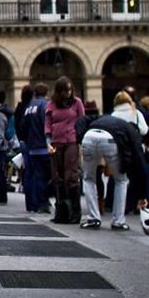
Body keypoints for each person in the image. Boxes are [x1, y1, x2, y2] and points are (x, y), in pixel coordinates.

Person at [79, 113, 148, 230]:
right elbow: (140, 161)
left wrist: (79, 136)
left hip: (89, 136)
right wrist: (143, 195)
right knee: (121, 180)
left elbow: (82, 119)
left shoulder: (105, 118)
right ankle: (118, 221)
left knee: (88, 178)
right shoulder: (131, 132)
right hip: (110, 140)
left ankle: (93, 218)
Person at [45, 76, 85, 224]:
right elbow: (48, 124)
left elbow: (82, 121)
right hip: (56, 142)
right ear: (59, 90)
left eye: (69, 89)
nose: (68, 93)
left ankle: (75, 212)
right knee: (57, 177)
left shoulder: (77, 103)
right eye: (64, 90)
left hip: (71, 141)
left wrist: (80, 139)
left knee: (71, 176)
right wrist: (48, 142)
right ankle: (62, 212)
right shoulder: (51, 105)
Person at [20, 83, 53, 214]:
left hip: (31, 146)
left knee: (33, 175)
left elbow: (23, 126)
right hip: (43, 146)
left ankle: (33, 203)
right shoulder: (45, 105)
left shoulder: (29, 106)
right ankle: (43, 203)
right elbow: (47, 124)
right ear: (46, 93)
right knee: (44, 176)